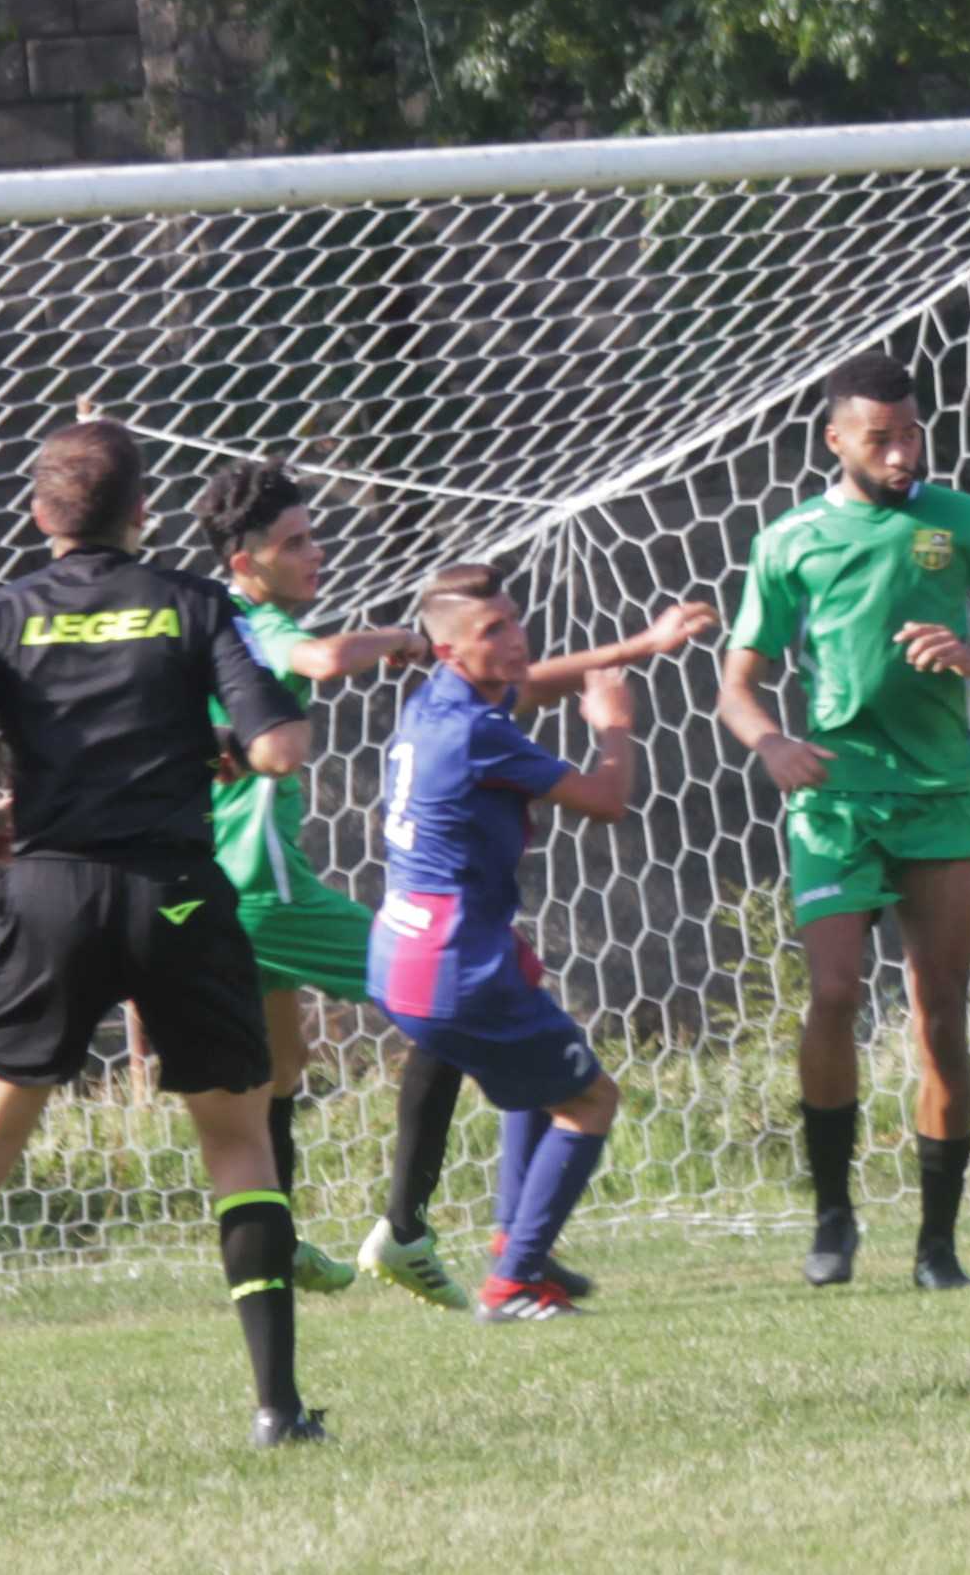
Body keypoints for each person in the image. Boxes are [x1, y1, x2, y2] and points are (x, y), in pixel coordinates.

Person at [0, 420, 325, 1480]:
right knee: (239, 1141)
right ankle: (277, 1408)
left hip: (46, 892)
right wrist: (229, 749)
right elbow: (280, 744)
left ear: (41, 515)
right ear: (141, 513)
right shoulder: (197, 601)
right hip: (175, 896)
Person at [191, 459, 713, 1309]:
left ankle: (285, 1243)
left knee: (279, 1077)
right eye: (296, 542)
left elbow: (506, 678)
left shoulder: (219, 629)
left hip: (224, 887)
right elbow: (321, 658)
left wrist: (637, 647)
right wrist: (396, 638)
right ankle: (420, 1233)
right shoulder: (257, 629)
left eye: (313, 533)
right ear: (245, 562)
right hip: (266, 889)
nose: (316, 552)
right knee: (446, 1006)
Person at [716, 354, 970, 1291]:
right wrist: (772, 746)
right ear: (835, 440)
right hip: (831, 802)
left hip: (940, 798)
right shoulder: (790, 542)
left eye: (912, 435)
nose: (903, 454)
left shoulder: (968, 527)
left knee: (939, 1017)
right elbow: (736, 689)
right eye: (881, 439)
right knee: (832, 994)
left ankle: (937, 1247)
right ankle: (833, 1215)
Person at [370, 564, 666, 1321]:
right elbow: (606, 802)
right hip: (453, 962)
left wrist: (638, 644)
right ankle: (513, 1282)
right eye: (492, 631)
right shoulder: (475, 733)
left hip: (406, 946)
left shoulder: (435, 703)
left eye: (512, 619)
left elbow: (528, 685)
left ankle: (517, 1238)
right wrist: (612, 722)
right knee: (591, 1100)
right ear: (448, 651)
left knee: (534, 1067)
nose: (515, 638)